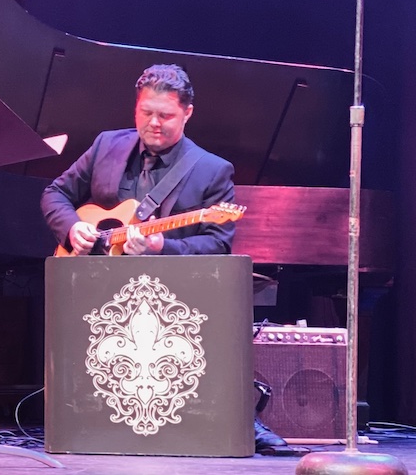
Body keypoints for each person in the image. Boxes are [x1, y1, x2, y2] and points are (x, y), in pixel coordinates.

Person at [39, 64, 287, 454]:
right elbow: (55, 193)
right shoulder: (106, 145)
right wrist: (72, 228)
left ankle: (239, 418)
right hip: (96, 287)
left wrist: (163, 249)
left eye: (166, 115)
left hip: (175, 299)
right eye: (145, 113)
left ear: (187, 113)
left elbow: (218, 245)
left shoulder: (211, 169)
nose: (154, 123)